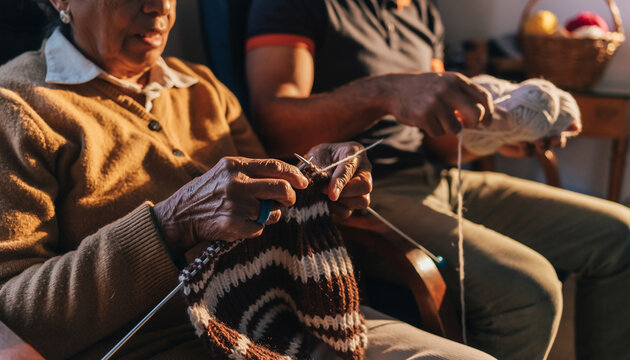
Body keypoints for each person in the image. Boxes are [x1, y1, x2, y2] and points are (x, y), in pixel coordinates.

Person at [0, 0, 497, 359]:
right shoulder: (17, 108)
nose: (159, 7)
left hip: (283, 316)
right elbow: (17, 314)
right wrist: (170, 225)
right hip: (155, 343)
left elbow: (275, 217)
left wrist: (317, 188)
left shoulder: (204, 87)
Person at [243, 0, 630, 359]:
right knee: (531, 292)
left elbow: (439, 142)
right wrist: (386, 92)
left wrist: (500, 138)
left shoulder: (421, 11)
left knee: (620, 234)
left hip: (438, 176)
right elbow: (276, 127)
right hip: (364, 191)